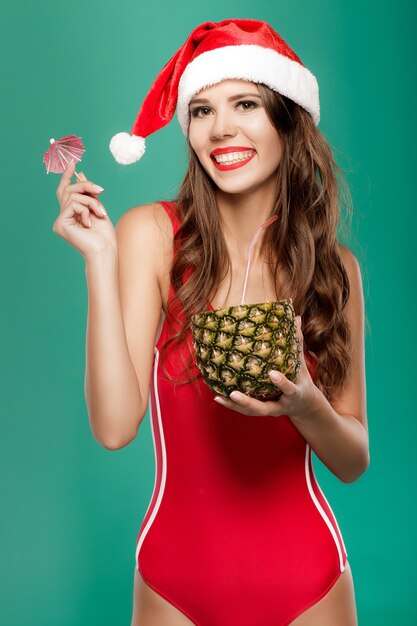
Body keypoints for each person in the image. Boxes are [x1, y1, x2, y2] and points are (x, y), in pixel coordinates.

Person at [53, 18, 369, 626]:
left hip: (310, 581)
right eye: (200, 110)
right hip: (176, 580)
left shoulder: (337, 271)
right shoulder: (151, 235)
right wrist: (99, 261)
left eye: (245, 103)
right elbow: (115, 427)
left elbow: (353, 459)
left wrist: (305, 405)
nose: (220, 128)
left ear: (287, 118)